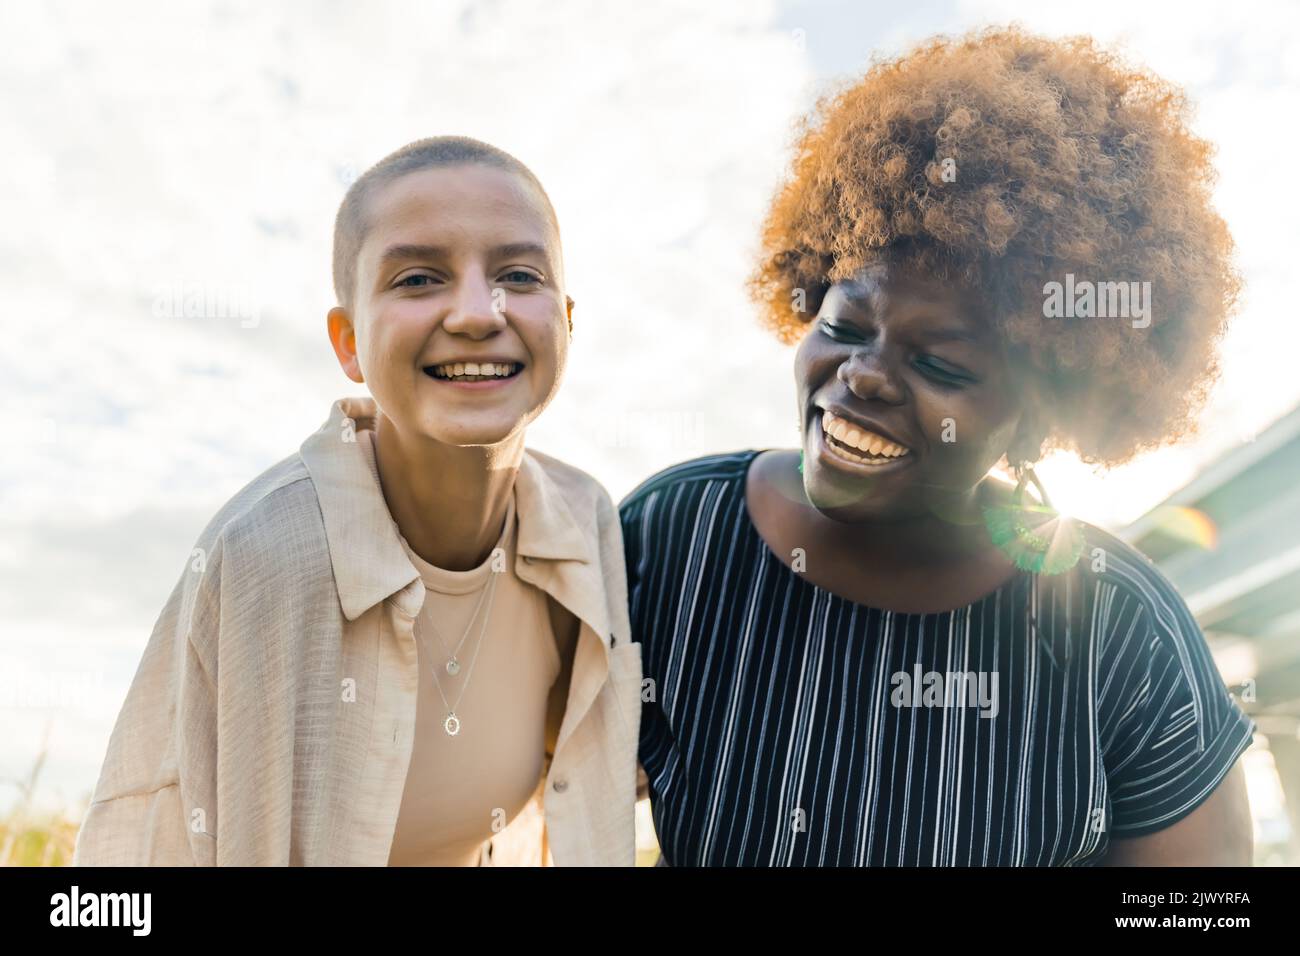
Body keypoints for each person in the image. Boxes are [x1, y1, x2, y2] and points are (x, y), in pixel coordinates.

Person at [621, 28, 1255, 866]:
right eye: (844, 327)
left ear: (1035, 420)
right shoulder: (675, 539)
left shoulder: (1112, 623)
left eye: (939, 363)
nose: (865, 377)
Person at [74, 136, 642, 866]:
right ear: (347, 341)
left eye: (518, 274)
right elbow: (152, 837)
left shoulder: (583, 525)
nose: (476, 312)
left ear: (565, 319)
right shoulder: (265, 555)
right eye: (417, 279)